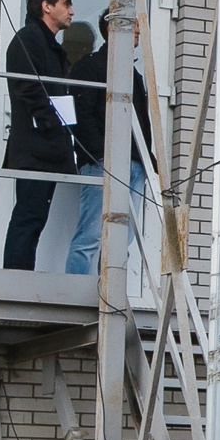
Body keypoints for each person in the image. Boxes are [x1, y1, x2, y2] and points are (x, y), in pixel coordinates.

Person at [63, 18, 156, 277]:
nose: (136, 35)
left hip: (133, 162)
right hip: (102, 161)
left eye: (138, 31)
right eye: (133, 29)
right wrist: (98, 151)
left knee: (122, 238)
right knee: (91, 234)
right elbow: (79, 114)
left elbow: (140, 121)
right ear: (110, 29)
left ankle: (110, 294)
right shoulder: (90, 67)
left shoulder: (132, 74)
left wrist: (146, 157)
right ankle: (75, 290)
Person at [1, 0, 80, 269]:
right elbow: (27, 89)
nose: (71, 11)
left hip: (46, 145)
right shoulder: (29, 39)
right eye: (66, 4)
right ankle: (16, 276)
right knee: (29, 213)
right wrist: (51, 124)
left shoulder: (48, 44)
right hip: (36, 146)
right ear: (46, 6)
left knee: (36, 214)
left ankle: (22, 273)